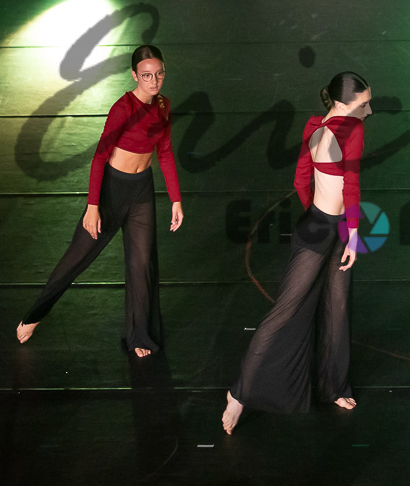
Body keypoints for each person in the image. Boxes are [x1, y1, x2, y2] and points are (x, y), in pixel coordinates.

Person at [223, 72, 371, 434]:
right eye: (364, 104)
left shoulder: (314, 126)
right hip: (334, 230)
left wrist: (316, 217)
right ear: (343, 104)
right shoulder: (352, 130)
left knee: (337, 308)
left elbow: (300, 180)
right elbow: (351, 183)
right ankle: (239, 393)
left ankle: (335, 387)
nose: (369, 111)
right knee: (285, 311)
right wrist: (352, 233)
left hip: (323, 225)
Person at [16, 45, 182, 358]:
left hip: (142, 191)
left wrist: (176, 199)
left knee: (142, 264)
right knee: (77, 256)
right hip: (112, 191)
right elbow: (100, 157)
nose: (154, 80)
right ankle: (34, 315)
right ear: (134, 75)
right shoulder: (123, 107)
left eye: (159, 74)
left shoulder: (163, 105)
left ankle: (140, 335)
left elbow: (165, 152)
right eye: (146, 75)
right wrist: (93, 206)